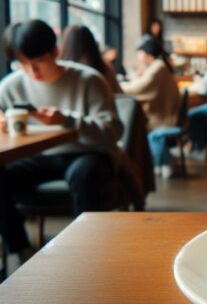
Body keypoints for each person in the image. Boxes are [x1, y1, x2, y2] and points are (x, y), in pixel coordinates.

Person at [0, 20, 123, 261]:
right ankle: (20, 249)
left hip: (86, 153)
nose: (31, 73)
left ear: (55, 51)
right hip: (35, 158)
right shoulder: (10, 86)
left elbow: (113, 132)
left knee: (85, 173)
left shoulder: (89, 80)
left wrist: (68, 120)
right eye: (23, 64)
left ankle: (86, 254)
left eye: (38, 63)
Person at [121, 39, 180, 175]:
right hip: (165, 113)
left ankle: (152, 163)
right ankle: (157, 161)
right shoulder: (158, 65)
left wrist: (117, 86)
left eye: (139, 53)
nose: (138, 57)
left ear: (147, 53)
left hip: (164, 117)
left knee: (133, 125)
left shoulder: (158, 67)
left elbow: (139, 88)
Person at [59, 25, 122, 93]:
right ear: (92, 44)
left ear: (65, 45)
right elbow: (118, 93)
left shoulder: (61, 73)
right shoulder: (104, 68)